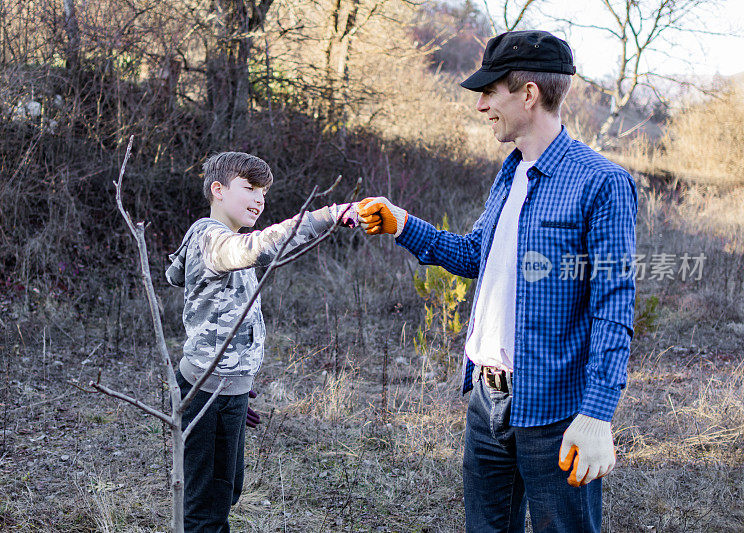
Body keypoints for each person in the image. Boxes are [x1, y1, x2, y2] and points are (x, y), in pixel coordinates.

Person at [358, 30, 636, 533]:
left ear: (528, 94)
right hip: (487, 403)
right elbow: (475, 255)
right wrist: (402, 223)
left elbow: (614, 307)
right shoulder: (510, 174)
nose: (482, 105)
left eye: (491, 92)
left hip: (555, 412)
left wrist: (597, 415)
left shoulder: (602, 182)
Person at [166, 151, 355, 532]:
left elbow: (177, 277)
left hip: (227, 389)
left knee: (227, 490)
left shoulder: (217, 238)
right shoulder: (214, 242)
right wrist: (326, 216)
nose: (259, 199)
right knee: (206, 508)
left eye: (264, 192)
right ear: (217, 190)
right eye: (250, 188)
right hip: (206, 390)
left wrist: (237, 384)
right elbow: (256, 248)